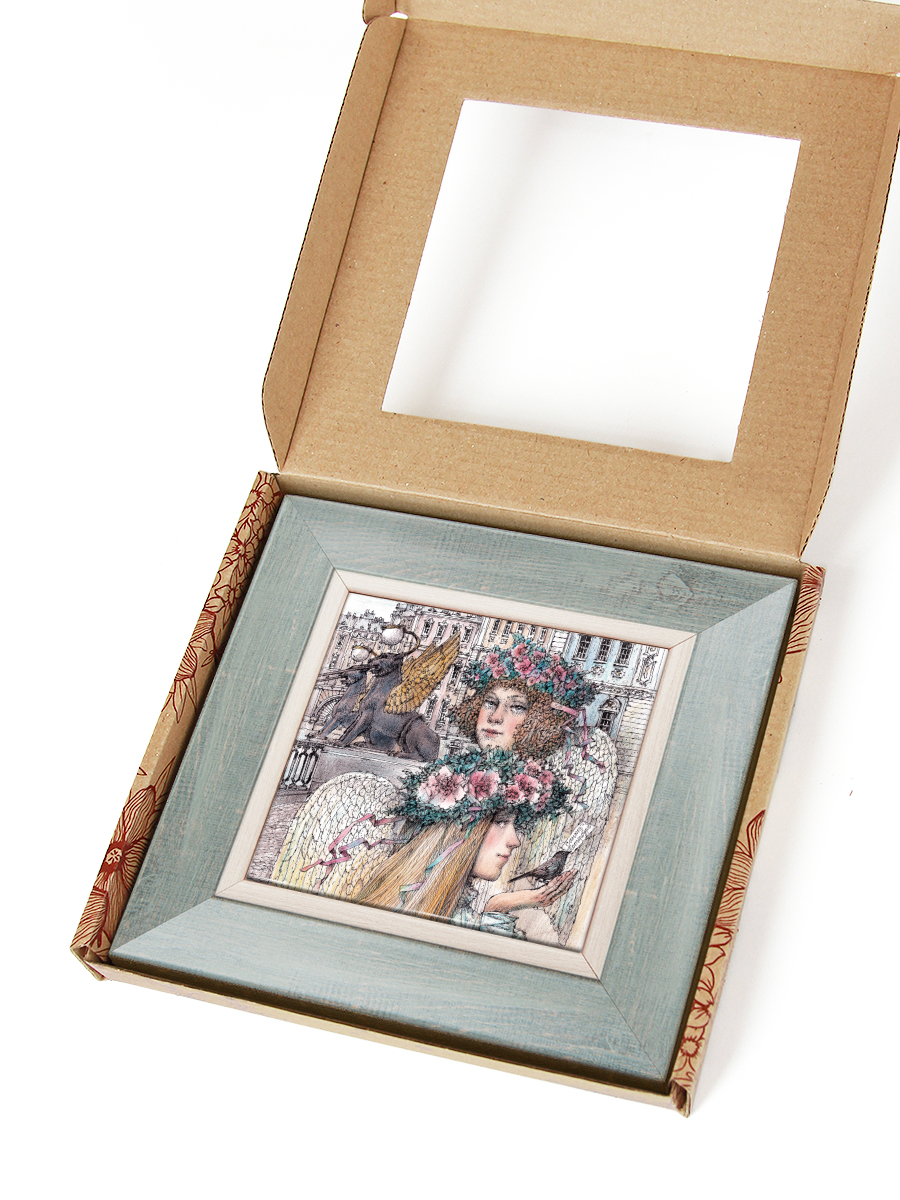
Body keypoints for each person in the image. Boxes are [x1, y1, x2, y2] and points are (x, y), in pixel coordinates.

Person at [268, 637, 617, 944]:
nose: (495, 717)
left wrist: (515, 900)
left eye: (517, 707)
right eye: (489, 702)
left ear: (540, 720)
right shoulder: (459, 781)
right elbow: (429, 886)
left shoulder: (533, 792)